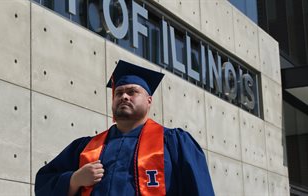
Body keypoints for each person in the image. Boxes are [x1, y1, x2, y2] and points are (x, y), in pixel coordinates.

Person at [35, 60, 214, 196]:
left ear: (149, 100)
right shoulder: (86, 148)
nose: (124, 97)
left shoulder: (174, 143)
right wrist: (74, 180)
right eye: (119, 93)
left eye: (132, 92)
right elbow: (43, 183)